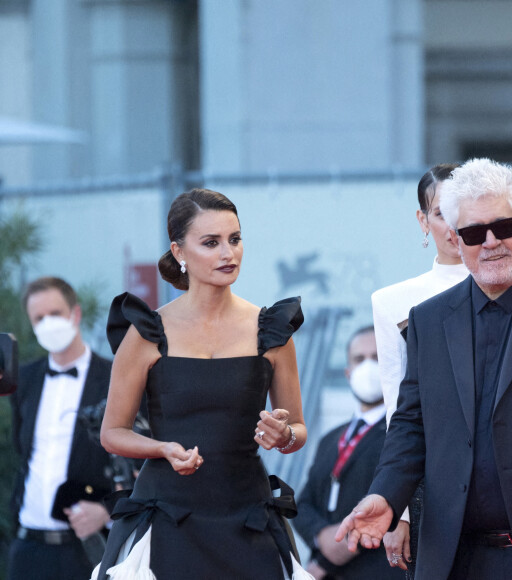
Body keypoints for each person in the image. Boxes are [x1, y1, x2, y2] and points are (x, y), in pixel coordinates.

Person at [336, 158, 512, 579]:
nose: (490, 243)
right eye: (472, 233)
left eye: (502, 227)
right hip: (453, 559)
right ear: (455, 238)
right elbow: (410, 424)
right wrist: (387, 495)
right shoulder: (428, 321)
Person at [94, 188, 308, 580]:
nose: (228, 253)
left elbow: (298, 430)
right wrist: (162, 448)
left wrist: (284, 435)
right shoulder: (146, 331)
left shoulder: (273, 329)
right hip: (168, 517)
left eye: (235, 239)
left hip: (249, 518)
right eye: (211, 243)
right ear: (179, 252)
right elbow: (112, 433)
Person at [371, 163, 469, 575]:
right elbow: (400, 411)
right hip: (434, 481)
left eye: (462, 210)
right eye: (440, 212)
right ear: (422, 220)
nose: (453, 225)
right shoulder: (393, 301)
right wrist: (403, 511)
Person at [8, 277, 113, 580]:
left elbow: (141, 464)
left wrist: (107, 511)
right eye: (39, 318)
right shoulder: (25, 380)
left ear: (75, 314)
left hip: (86, 549)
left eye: (55, 314)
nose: (48, 323)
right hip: (27, 547)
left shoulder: (114, 378)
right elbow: (22, 448)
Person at [294, 325, 404, 579]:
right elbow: (304, 503)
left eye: (376, 358)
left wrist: (328, 561)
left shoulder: (403, 435)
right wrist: (322, 536)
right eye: (359, 359)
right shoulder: (330, 439)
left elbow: (395, 502)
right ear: (348, 372)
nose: (368, 367)